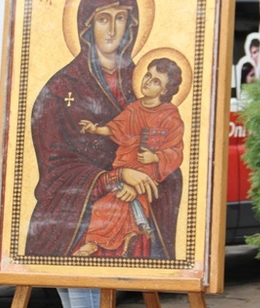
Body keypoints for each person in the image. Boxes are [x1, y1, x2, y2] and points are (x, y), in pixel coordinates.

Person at [25, 0, 177, 308]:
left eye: (121, 19)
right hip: (72, 212)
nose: (112, 29)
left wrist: (146, 169)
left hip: (135, 215)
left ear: (132, 25)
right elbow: (53, 165)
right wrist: (114, 178)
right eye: (102, 19)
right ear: (86, 26)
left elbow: (172, 147)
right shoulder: (59, 89)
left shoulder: (148, 81)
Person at [76, 57, 184, 259]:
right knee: (104, 206)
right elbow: (117, 127)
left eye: (156, 81)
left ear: (165, 90)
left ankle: (96, 242)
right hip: (125, 170)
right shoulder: (135, 108)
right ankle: (98, 241)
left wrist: (155, 156)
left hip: (147, 175)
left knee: (120, 205)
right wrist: (96, 129)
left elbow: (176, 150)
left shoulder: (170, 115)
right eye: (148, 75)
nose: (147, 81)